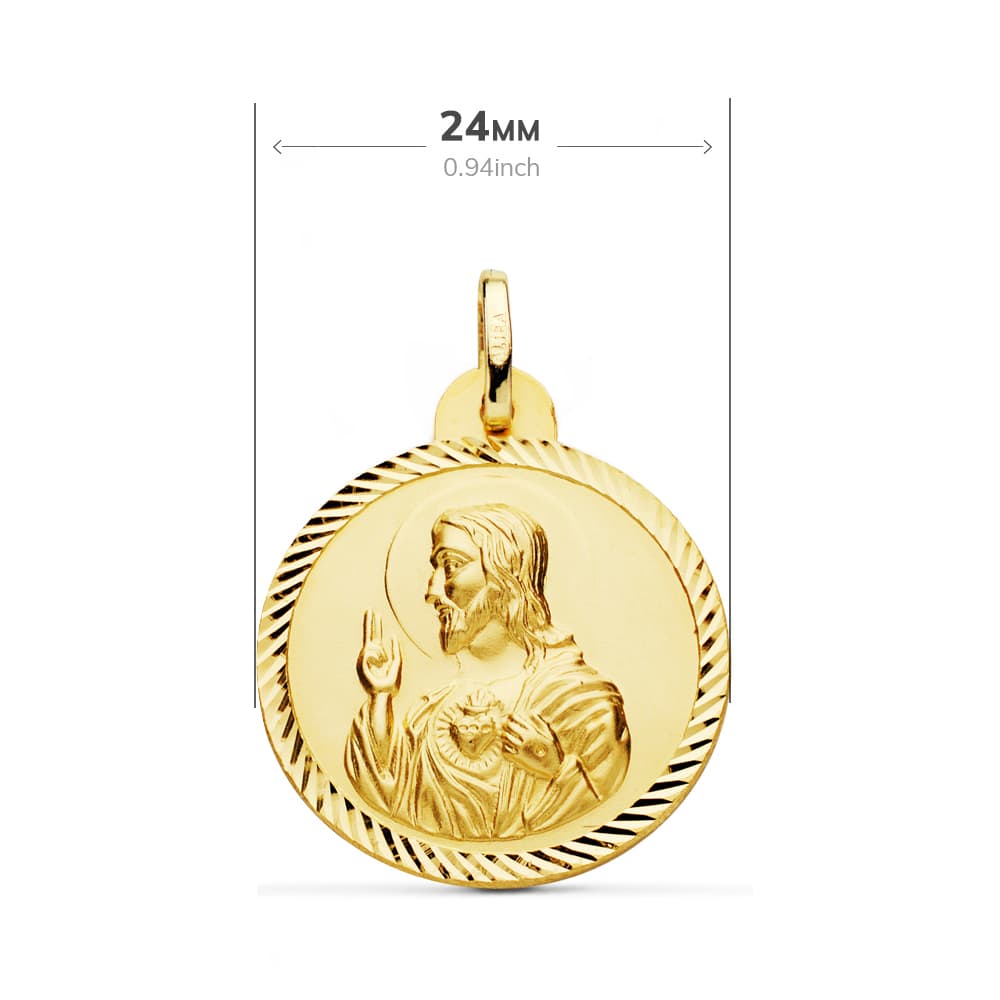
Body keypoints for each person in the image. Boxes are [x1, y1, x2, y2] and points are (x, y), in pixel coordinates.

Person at [345, 504, 630, 839]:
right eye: (435, 570)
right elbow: (389, 796)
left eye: (451, 566)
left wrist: (554, 768)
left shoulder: (579, 704)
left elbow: (602, 802)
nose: (432, 592)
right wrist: (380, 696)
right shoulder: (430, 709)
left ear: (505, 574)